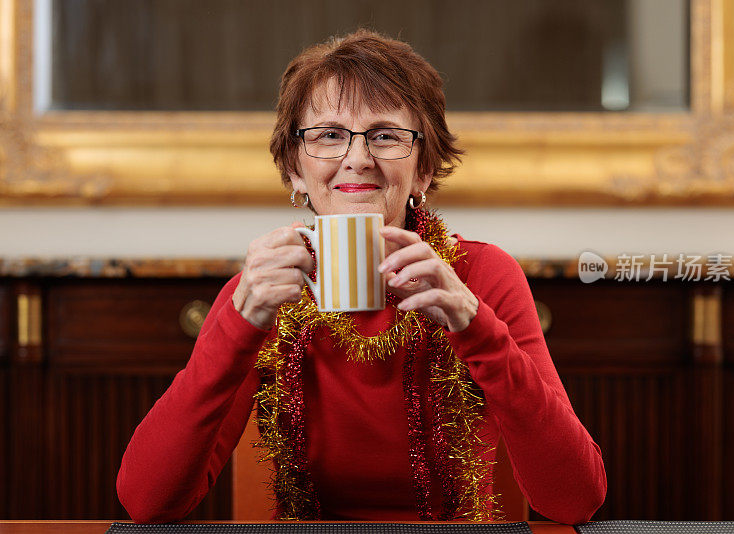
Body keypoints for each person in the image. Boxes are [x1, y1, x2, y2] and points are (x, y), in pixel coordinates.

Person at [116, 29, 606, 524]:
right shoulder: (263, 288)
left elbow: (575, 499)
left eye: (386, 135)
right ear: (295, 171)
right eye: (328, 135)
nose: (357, 158)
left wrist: (475, 326)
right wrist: (239, 326)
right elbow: (148, 502)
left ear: (423, 171)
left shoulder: (481, 276)